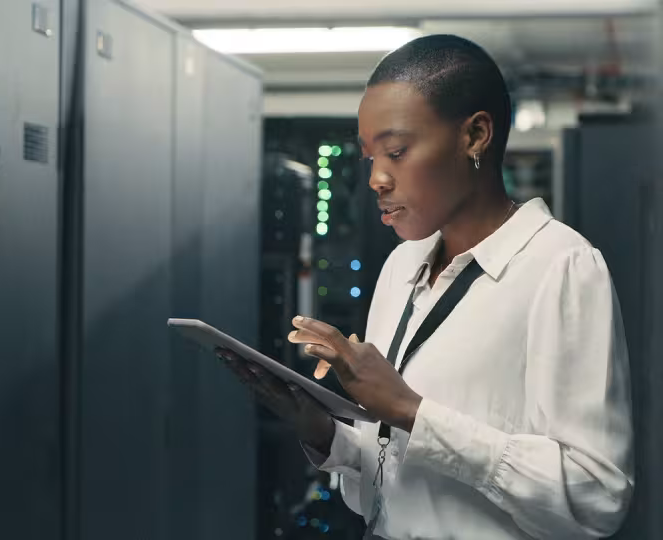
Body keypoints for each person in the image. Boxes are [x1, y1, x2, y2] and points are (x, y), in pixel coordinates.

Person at [218, 34, 633, 539]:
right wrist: (327, 435)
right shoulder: (402, 266)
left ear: (476, 135)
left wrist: (413, 413)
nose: (377, 178)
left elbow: (597, 498)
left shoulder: (560, 267)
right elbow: (388, 488)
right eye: (371, 157)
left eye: (396, 151)